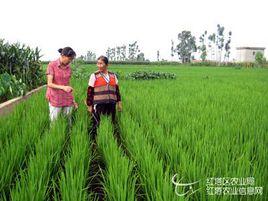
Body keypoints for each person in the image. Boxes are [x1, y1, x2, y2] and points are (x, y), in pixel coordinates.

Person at [86, 55, 122, 142]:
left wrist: (119, 103)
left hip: (111, 103)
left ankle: (109, 139)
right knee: (96, 122)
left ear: (107, 64)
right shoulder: (94, 75)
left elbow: (117, 90)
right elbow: (90, 91)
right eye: (97, 63)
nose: (99, 65)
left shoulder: (113, 75)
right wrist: (89, 105)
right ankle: (93, 141)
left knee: (111, 121)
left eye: (101, 63)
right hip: (98, 103)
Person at [46, 47, 78, 123]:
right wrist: (63, 87)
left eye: (71, 60)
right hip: (55, 98)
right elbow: (49, 84)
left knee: (68, 121)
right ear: (63, 55)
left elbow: (68, 85)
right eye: (69, 59)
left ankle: (67, 134)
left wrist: (73, 100)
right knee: (54, 122)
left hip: (67, 98)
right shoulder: (52, 65)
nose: (70, 61)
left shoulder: (68, 68)